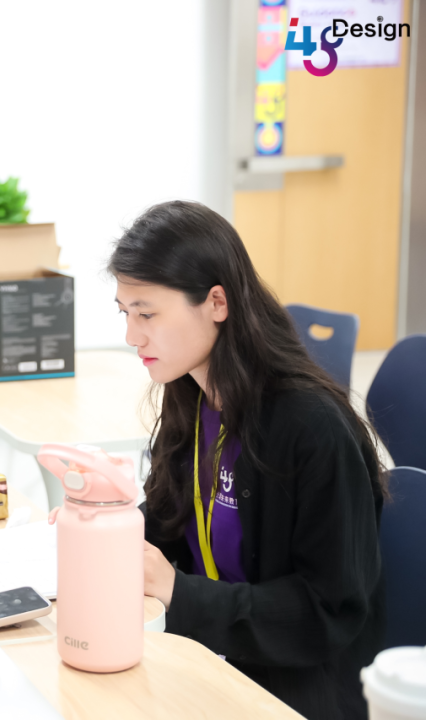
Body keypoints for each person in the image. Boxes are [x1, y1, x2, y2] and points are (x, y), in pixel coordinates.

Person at [112, 201, 384, 720]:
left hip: (293, 689)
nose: (132, 335)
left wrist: (178, 592)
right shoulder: (190, 397)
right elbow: (170, 519)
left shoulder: (312, 428)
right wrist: (104, 528)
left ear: (217, 302)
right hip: (218, 655)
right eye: (125, 313)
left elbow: (326, 612)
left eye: (147, 313)